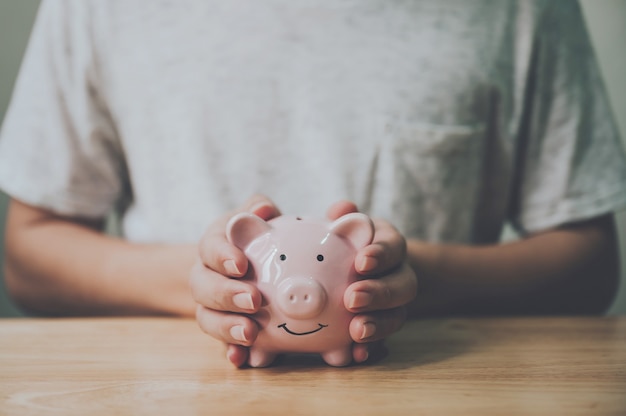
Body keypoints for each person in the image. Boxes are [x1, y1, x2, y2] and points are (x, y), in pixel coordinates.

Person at [1, 0, 625, 367]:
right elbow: (29, 253)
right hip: (179, 388)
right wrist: (208, 285)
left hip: (430, 380)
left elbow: (589, 262)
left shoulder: (522, 9)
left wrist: (410, 281)